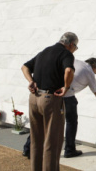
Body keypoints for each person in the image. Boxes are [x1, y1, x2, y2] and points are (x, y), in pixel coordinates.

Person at [23, 58, 96, 159]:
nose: (95, 73)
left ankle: (28, 149)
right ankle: (70, 150)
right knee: (71, 122)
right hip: (67, 96)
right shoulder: (89, 71)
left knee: (43, 123)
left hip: (49, 94)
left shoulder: (73, 61)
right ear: (94, 66)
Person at [22, 32, 78, 171]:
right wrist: (66, 87)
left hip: (34, 98)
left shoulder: (44, 52)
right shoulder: (66, 54)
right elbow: (69, 70)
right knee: (52, 141)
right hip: (51, 99)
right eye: (75, 47)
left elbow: (24, 67)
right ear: (71, 44)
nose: (74, 50)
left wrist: (31, 81)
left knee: (36, 139)